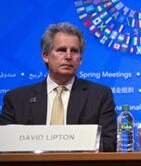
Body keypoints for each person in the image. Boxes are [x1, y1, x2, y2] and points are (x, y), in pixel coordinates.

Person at [0, 22, 116, 152]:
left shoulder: (100, 96)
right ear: (45, 56)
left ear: (80, 59)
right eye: (61, 50)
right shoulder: (16, 99)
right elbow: (5, 146)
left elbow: (109, 143)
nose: (68, 56)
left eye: (74, 51)